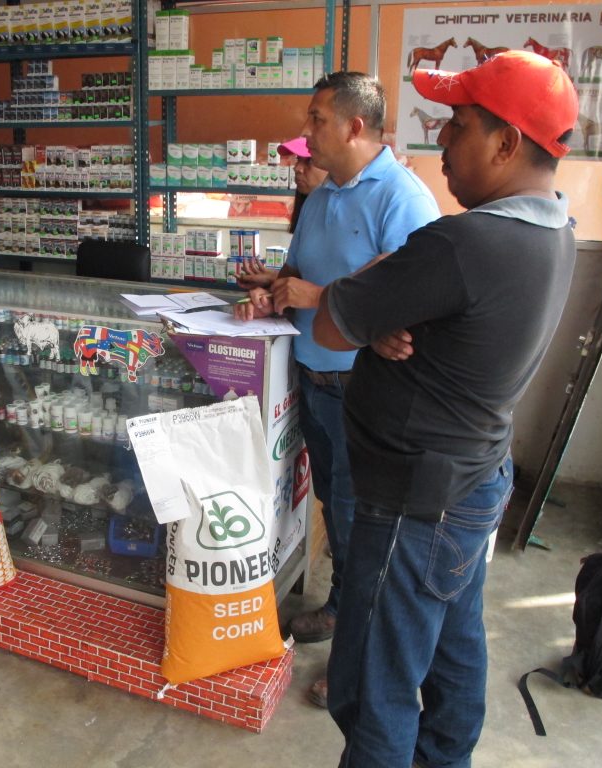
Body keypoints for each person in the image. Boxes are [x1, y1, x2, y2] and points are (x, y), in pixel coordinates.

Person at [312, 51, 579, 766]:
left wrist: (374, 294)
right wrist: (387, 304)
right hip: (472, 479)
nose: (442, 144)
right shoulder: (554, 228)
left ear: (506, 143)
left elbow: (331, 322)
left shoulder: (462, 244)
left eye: (457, 126)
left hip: (412, 499)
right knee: (453, 655)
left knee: (371, 689)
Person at [235, 72, 440, 702]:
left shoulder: (401, 198)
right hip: (314, 379)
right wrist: (273, 295)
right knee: (336, 506)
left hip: (367, 390)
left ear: (355, 126)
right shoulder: (324, 197)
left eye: (317, 120)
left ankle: (358, 662)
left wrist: (316, 298)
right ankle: (344, 608)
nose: (306, 132)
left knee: (368, 521)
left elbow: (416, 299)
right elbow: (302, 271)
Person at [237, 136, 328, 290]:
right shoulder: (310, 206)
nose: (297, 168)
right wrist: (274, 281)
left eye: (309, 161)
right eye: (298, 160)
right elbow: (302, 274)